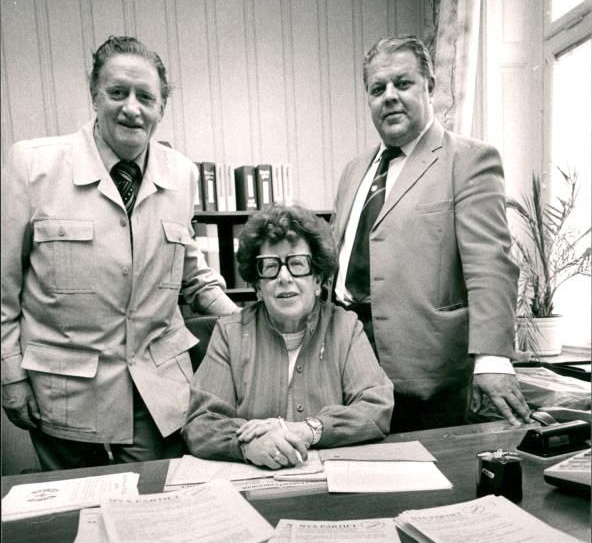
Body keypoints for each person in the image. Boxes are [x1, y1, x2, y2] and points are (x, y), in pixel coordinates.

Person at [1, 35, 238, 470]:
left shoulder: (182, 174)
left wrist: (249, 327)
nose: (132, 107)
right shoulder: (33, 166)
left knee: (158, 509)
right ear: (94, 95)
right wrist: (10, 375)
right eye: (117, 92)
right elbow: (3, 290)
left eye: (145, 96)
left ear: (161, 106)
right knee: (76, 515)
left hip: (157, 390)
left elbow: (192, 273)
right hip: (65, 395)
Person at [331, 35, 531, 432]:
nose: (389, 96)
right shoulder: (354, 170)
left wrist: (492, 359)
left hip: (429, 376)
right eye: (377, 89)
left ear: (430, 87)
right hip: (348, 366)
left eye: (402, 84)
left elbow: (489, 265)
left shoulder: (469, 160)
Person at [182, 204, 393, 467]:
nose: (284, 277)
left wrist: (308, 429)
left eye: (297, 264)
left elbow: (377, 406)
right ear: (258, 286)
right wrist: (247, 444)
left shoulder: (346, 327)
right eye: (269, 267)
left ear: (317, 280)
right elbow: (200, 423)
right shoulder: (229, 333)